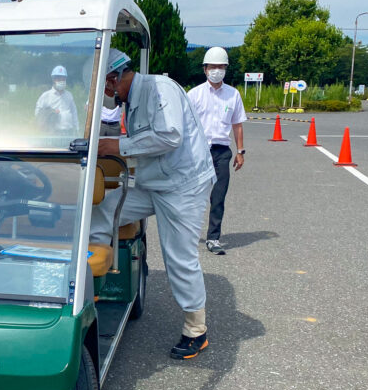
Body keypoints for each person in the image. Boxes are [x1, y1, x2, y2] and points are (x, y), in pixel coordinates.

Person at [90, 49, 216, 359]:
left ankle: (195, 330)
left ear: (113, 78)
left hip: (182, 185)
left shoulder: (160, 87)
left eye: (104, 87)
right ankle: (92, 281)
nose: (105, 93)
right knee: (103, 206)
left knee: (179, 256)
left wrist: (117, 145)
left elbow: (170, 136)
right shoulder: (130, 100)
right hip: (154, 181)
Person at [187, 47, 247, 255]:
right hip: (198, 151)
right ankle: (188, 235)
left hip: (222, 151)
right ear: (205, 69)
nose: (217, 70)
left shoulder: (233, 94)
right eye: (213, 66)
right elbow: (186, 125)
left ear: (226, 69)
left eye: (221, 67)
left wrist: (241, 151)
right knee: (194, 195)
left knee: (218, 196)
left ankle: (213, 238)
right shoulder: (194, 95)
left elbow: (237, 124)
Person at [35, 65, 80, 136]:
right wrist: (50, 112)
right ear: (54, 79)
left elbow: (74, 113)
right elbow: (38, 113)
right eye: (59, 79)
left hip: (69, 132)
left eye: (63, 79)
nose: (61, 81)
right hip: (53, 133)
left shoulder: (69, 95)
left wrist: (77, 129)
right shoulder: (46, 95)